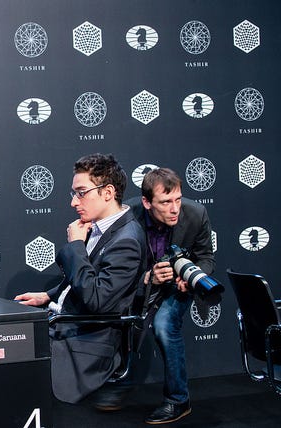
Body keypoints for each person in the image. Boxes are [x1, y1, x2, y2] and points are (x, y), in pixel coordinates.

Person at [15, 153, 146, 403]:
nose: (74, 202)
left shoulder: (126, 240)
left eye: (81, 192)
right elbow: (84, 280)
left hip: (85, 345)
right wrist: (48, 295)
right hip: (64, 326)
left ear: (108, 192)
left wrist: (76, 245)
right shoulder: (100, 227)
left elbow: (97, 300)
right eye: (73, 193)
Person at [96, 167, 215, 424]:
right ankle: (116, 384)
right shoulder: (126, 216)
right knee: (118, 319)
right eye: (165, 202)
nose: (175, 209)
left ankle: (178, 400)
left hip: (176, 286)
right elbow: (111, 265)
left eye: (178, 199)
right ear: (147, 202)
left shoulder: (196, 214)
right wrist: (146, 278)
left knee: (163, 325)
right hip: (138, 284)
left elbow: (206, 257)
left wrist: (189, 279)